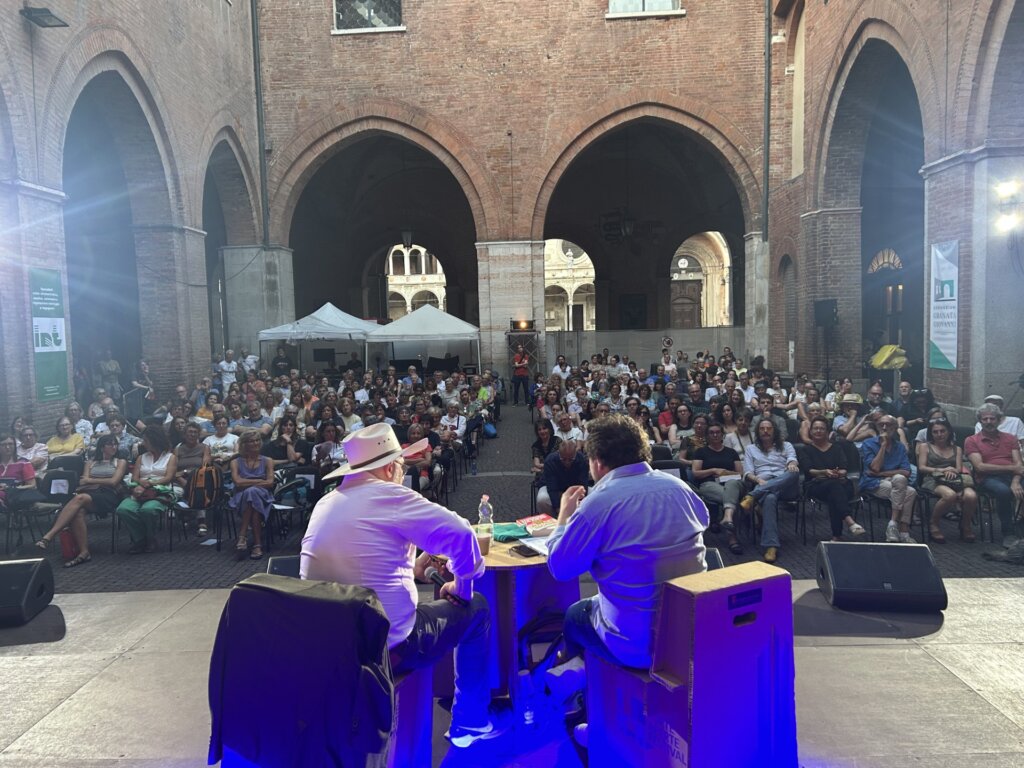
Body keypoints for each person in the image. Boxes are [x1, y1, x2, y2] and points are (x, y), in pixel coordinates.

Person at [301, 423, 503, 748]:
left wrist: (410, 565)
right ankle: (471, 720)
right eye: (401, 465)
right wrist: (461, 588)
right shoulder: (391, 496)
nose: (402, 472)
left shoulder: (326, 503)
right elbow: (463, 535)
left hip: (329, 644)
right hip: (387, 646)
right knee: (477, 608)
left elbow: (363, 565)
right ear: (388, 467)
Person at [546, 413, 707, 677]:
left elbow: (560, 568)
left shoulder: (597, 504)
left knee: (575, 614)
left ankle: (578, 685)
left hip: (635, 646)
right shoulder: (680, 487)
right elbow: (702, 521)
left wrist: (564, 517)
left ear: (597, 462)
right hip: (688, 636)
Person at [36, 434, 128, 566]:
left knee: (79, 498)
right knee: (78, 512)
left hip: (109, 496)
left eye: (115, 444)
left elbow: (114, 482)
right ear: (102, 447)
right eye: (110, 444)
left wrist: (91, 480)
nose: (114, 447)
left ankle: (49, 536)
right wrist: (97, 481)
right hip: (91, 494)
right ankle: (84, 552)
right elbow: (82, 482)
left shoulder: (120, 462)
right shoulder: (90, 463)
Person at [741, 418, 800, 563]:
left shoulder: (786, 445)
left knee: (794, 472)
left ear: (775, 431)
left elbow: (792, 459)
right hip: (763, 482)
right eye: (762, 428)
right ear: (757, 432)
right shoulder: (751, 449)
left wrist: (792, 464)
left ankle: (752, 496)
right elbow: (748, 473)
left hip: (785, 484)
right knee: (770, 498)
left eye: (769, 428)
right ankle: (771, 546)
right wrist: (758, 481)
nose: (765, 431)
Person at [965, 403, 1024, 548]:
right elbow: (980, 467)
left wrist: (1015, 481)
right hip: (987, 478)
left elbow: (1019, 465)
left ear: (998, 420)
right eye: (985, 419)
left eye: (992, 418)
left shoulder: (1010, 438)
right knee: (1003, 491)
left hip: (1013, 477)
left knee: (1013, 488)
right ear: (980, 421)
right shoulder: (972, 440)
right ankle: (1008, 533)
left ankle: (1020, 526)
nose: (989, 422)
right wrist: (1012, 468)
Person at [800, 416, 865, 541]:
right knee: (834, 488)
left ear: (827, 432)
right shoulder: (806, 450)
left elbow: (844, 469)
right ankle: (849, 520)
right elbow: (809, 471)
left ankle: (837, 536)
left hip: (838, 483)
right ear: (811, 431)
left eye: (822, 428)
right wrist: (825, 472)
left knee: (834, 493)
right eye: (815, 428)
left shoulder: (837, 448)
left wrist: (838, 473)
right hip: (815, 485)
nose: (818, 431)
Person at [116, 426, 178, 554]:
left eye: (145, 440)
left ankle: (149, 538)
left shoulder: (170, 457)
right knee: (123, 509)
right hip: (140, 490)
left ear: (154, 440)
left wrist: (150, 483)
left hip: (160, 491)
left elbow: (168, 478)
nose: (143, 443)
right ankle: (141, 539)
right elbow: (135, 477)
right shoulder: (142, 457)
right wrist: (140, 483)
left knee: (148, 510)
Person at [860, 414, 918, 543]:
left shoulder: (900, 447)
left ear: (895, 428)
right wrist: (883, 446)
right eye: (881, 425)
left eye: (889, 425)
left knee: (901, 480)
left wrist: (882, 473)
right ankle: (903, 531)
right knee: (909, 491)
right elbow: (875, 467)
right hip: (874, 483)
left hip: (893, 481)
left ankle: (893, 524)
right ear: (877, 427)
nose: (885, 428)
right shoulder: (868, 444)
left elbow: (906, 472)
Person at [917, 418, 977, 543]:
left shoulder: (957, 449)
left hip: (954, 479)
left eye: (942, 431)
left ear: (948, 431)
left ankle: (965, 525)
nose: (939, 434)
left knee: (971, 496)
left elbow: (958, 468)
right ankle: (933, 523)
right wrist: (943, 470)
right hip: (933, 479)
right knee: (950, 495)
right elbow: (922, 467)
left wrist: (952, 471)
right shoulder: (925, 446)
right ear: (931, 433)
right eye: (935, 432)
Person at [691, 423, 745, 555]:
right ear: (707, 435)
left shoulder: (731, 452)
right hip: (709, 484)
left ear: (722, 435)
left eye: (717, 432)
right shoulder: (701, 452)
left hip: (731, 483)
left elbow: (740, 473)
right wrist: (713, 470)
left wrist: (725, 473)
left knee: (732, 485)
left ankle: (728, 519)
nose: (715, 435)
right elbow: (696, 473)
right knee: (732, 500)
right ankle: (732, 538)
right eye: (711, 432)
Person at [229, 431, 275, 560]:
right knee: (252, 497)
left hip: (263, 495)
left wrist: (248, 483)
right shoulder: (235, 462)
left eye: (257, 440)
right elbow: (237, 482)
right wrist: (259, 481)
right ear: (244, 444)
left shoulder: (268, 461)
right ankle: (257, 545)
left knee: (252, 493)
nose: (255, 443)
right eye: (251, 441)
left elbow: (270, 483)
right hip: (241, 495)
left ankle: (242, 535)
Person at [536, 439, 590, 516]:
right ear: (559, 453)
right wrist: (558, 509)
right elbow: (552, 488)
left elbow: (583, 485)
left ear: (575, 453)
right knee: (542, 499)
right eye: (563, 459)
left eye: (571, 459)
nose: (567, 462)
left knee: (594, 495)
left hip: (575, 489)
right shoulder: (550, 461)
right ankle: (550, 520)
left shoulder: (582, 460)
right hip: (555, 489)